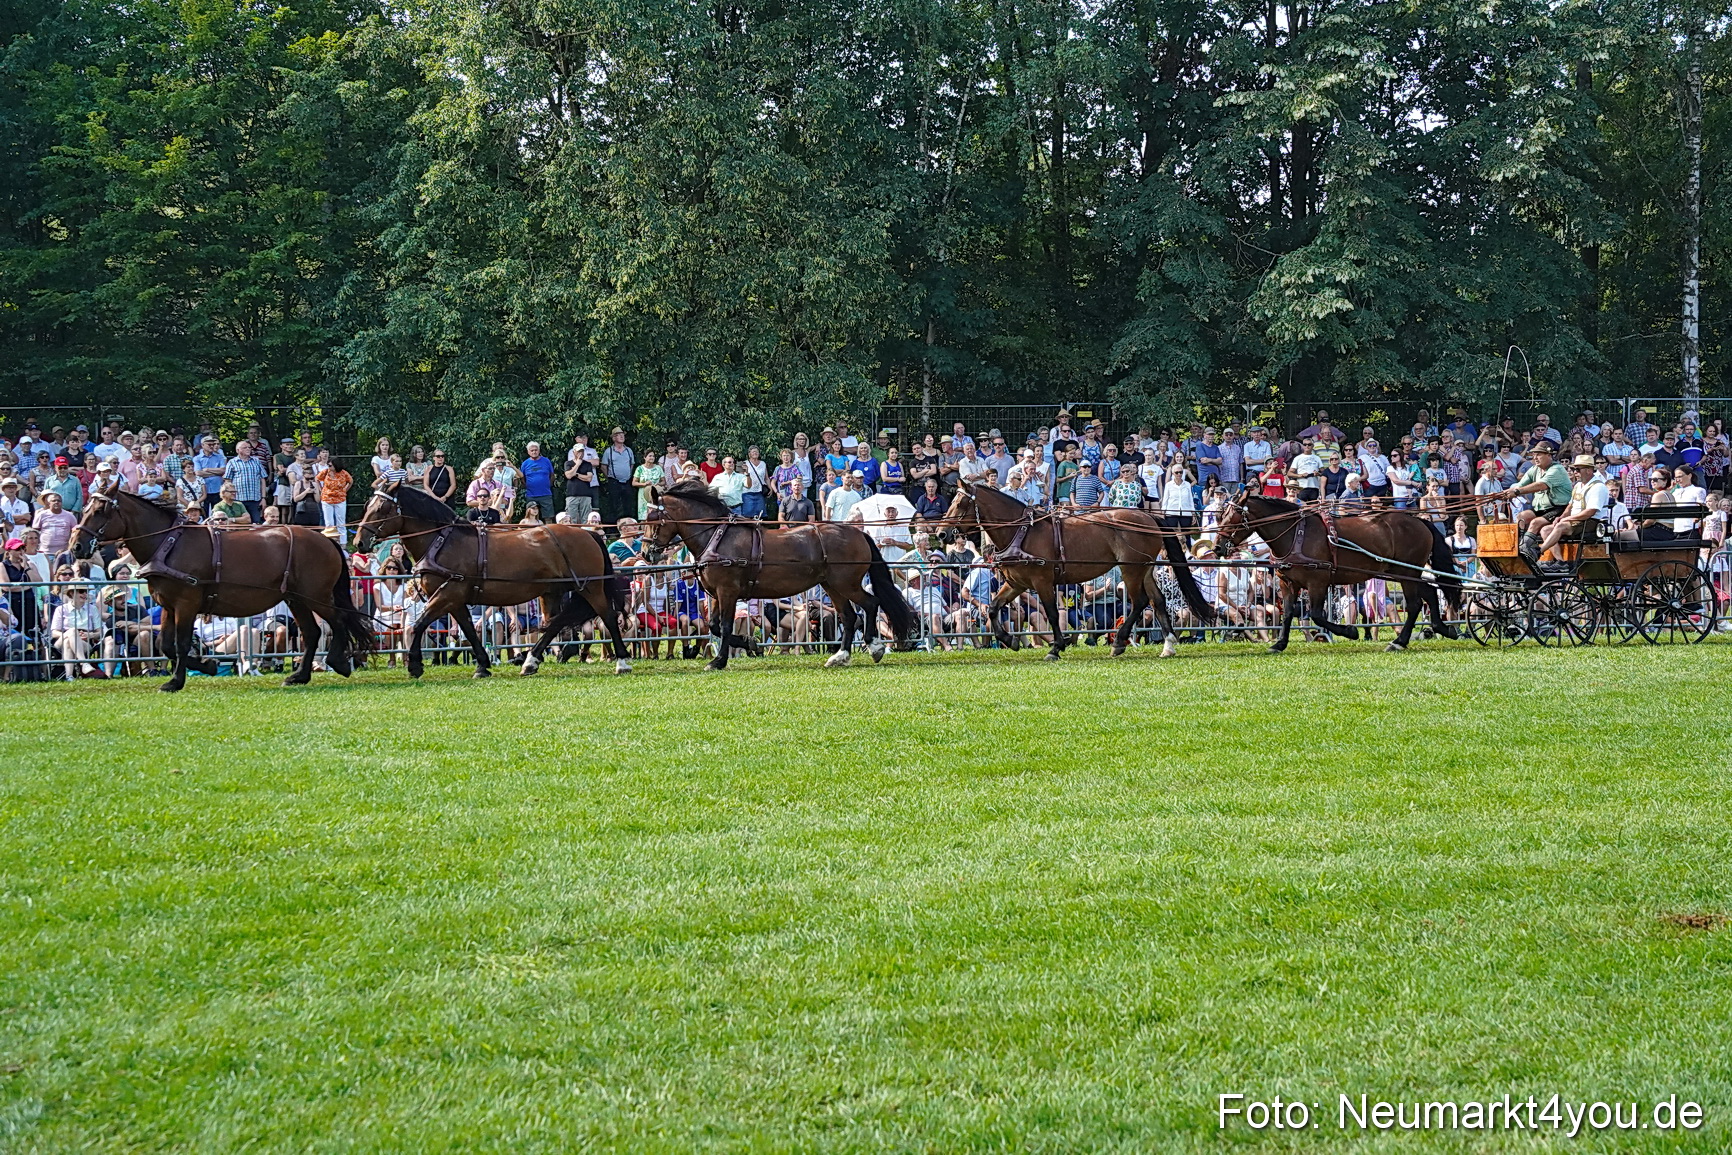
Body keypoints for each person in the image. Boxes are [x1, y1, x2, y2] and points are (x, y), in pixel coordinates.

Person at [1500, 441, 1572, 563]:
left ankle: (1525, 550)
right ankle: (1521, 543)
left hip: (1559, 508)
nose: (1535, 458)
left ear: (1549, 455)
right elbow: (1519, 485)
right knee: (1522, 516)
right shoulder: (1534, 469)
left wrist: (1516, 492)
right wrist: (1500, 494)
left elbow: (1541, 485)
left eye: (1539, 454)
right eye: (1534, 455)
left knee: (1535, 522)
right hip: (1541, 508)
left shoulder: (1557, 469)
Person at [1538, 454, 1609, 556]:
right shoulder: (1577, 485)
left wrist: (1567, 519)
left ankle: (1539, 551)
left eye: (1578, 469)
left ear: (1589, 470)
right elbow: (1570, 506)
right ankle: (1560, 562)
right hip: (1576, 521)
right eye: (1574, 469)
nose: (1575, 472)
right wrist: (1561, 517)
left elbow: (1590, 512)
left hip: (1591, 522)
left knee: (1561, 526)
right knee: (1545, 530)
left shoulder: (1598, 487)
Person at [600, 427, 635, 526]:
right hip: (614, 482)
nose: (621, 436)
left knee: (627, 506)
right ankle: (613, 528)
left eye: (622, 434)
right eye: (619, 435)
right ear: (614, 438)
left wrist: (628, 474)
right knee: (613, 506)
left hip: (627, 482)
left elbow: (631, 464)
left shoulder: (628, 450)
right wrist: (609, 477)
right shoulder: (609, 451)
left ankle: (629, 527)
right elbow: (603, 466)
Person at [563, 446, 598, 523]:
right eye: (578, 451)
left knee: (586, 519)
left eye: (582, 451)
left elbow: (589, 478)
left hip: (586, 495)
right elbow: (568, 475)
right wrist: (577, 464)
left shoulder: (587, 464)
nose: (580, 453)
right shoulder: (568, 463)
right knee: (571, 519)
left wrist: (577, 475)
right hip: (572, 495)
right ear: (574, 452)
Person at [632, 450, 666, 518]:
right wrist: (644, 484)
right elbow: (634, 483)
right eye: (650, 456)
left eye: (653, 456)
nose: (652, 458)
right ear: (645, 457)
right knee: (643, 517)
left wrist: (658, 484)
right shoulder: (640, 468)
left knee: (655, 515)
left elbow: (664, 482)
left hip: (655, 494)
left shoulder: (658, 468)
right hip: (643, 495)